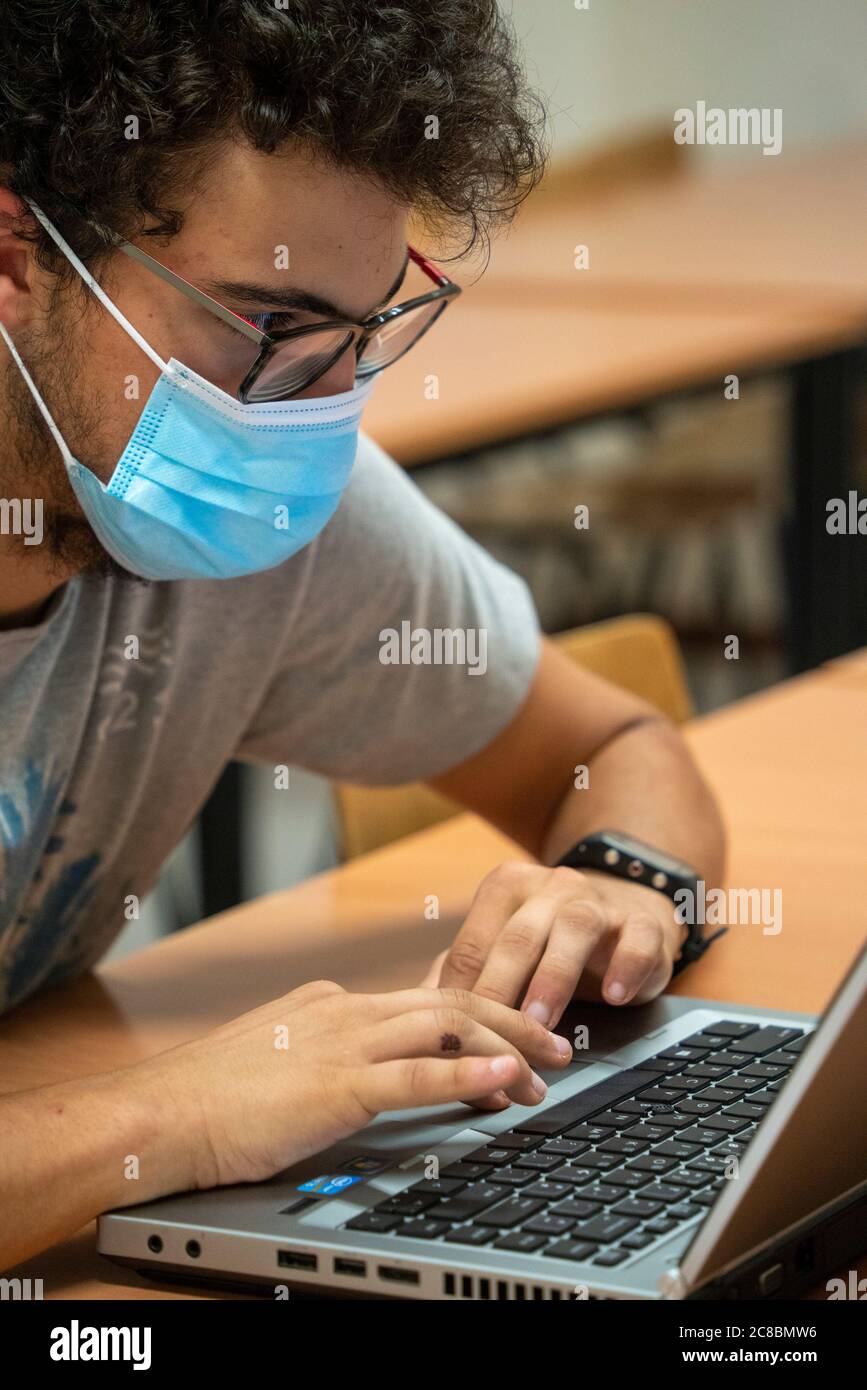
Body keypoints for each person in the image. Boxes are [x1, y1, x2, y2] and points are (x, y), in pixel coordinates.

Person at [0, 0, 724, 1270]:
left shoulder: (256, 519)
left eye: (364, 329)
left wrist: (620, 891)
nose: (319, 415)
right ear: (17, 253)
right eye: (272, 330)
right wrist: (177, 1113)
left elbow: (610, 740)